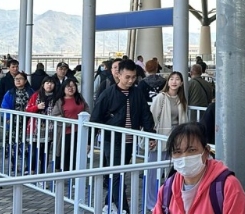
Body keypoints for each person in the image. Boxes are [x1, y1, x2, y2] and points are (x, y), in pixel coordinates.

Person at [91, 59, 155, 214]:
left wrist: (151, 134)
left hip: (129, 140)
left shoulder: (137, 92)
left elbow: (145, 114)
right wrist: (89, 141)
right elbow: (95, 117)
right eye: (127, 77)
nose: (131, 80)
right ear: (118, 75)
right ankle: (124, 208)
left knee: (120, 173)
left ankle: (109, 204)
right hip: (112, 139)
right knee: (116, 174)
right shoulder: (108, 94)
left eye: (133, 77)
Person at [154, 122, 245, 214]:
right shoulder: (166, 191)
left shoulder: (227, 187)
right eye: (177, 152)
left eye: (192, 150)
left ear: (206, 152)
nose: (184, 157)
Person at [147, 72, 189, 212]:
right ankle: (152, 202)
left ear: (181, 83)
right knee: (154, 171)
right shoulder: (161, 97)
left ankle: (168, 201)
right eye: (171, 79)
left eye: (177, 79)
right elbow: (152, 117)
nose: (174, 81)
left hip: (177, 139)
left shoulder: (181, 99)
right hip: (161, 137)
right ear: (168, 81)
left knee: (172, 171)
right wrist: (151, 137)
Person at [51, 78, 89, 171]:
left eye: (73, 86)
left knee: (77, 154)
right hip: (66, 132)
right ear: (63, 88)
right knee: (66, 155)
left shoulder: (79, 98)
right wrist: (70, 122)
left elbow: (87, 109)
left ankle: (76, 174)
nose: (71, 88)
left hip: (80, 131)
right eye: (68, 86)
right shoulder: (60, 101)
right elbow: (55, 116)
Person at [0, 71, 34, 175]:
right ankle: (14, 165)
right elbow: (4, 106)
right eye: (16, 79)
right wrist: (8, 118)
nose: (18, 81)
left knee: (28, 145)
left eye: (20, 79)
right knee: (12, 145)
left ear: (25, 80)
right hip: (13, 123)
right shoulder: (10, 93)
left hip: (27, 123)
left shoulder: (31, 92)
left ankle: (28, 166)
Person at [26, 76, 58, 174]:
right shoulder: (36, 95)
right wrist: (37, 107)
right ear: (43, 84)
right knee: (33, 152)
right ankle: (31, 171)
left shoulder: (57, 97)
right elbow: (27, 109)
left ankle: (43, 173)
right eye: (47, 83)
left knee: (45, 153)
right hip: (35, 128)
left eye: (51, 83)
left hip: (49, 129)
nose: (49, 85)